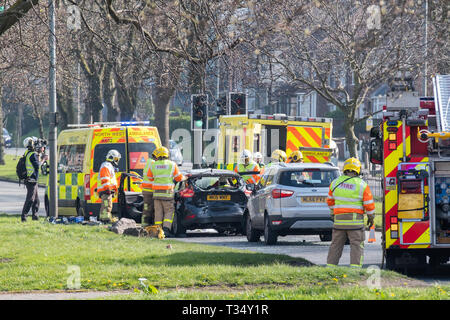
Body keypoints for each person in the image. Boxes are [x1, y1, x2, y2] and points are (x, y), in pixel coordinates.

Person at [326, 157, 375, 268]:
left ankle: (330, 268)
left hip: (338, 222)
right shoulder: (362, 185)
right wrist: (371, 218)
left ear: (345, 169)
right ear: (358, 170)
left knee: (335, 245)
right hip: (355, 223)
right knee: (356, 245)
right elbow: (369, 205)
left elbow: (329, 201)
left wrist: (334, 213)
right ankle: (355, 269)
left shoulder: (335, 183)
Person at [146, 146, 184, 237]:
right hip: (167, 194)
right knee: (169, 211)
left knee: (158, 212)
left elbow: (150, 178)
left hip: (156, 194)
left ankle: (158, 232)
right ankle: (166, 230)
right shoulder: (172, 164)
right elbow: (179, 178)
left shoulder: (153, 165)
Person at [21, 137, 43, 222]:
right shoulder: (33, 154)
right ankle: (24, 216)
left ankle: (35, 216)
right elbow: (37, 166)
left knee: (36, 199)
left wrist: (39, 154)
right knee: (31, 199)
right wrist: (43, 158)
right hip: (31, 180)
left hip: (30, 179)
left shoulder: (27, 152)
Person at [97, 149, 121, 223]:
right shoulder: (106, 166)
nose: (117, 160)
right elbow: (105, 179)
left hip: (107, 190)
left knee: (107, 205)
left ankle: (104, 218)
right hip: (106, 190)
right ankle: (105, 219)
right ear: (112, 157)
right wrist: (107, 189)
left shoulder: (107, 165)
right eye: (116, 158)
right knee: (106, 206)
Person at [141, 149, 157, 226]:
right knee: (151, 209)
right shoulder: (153, 163)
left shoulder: (148, 162)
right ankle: (148, 225)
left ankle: (144, 224)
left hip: (146, 190)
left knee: (146, 208)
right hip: (151, 189)